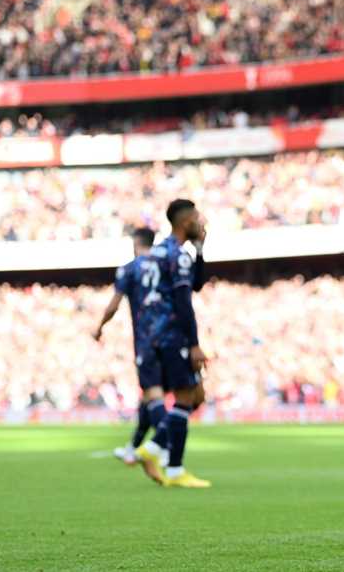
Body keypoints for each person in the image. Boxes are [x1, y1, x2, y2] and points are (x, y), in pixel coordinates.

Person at [134, 199, 211, 488]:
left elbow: (195, 284)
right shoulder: (177, 255)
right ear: (185, 221)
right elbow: (184, 300)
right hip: (172, 335)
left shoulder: (156, 253)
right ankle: (155, 451)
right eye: (197, 218)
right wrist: (194, 344)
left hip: (150, 336)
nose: (201, 222)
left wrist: (200, 249)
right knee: (188, 396)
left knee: (191, 395)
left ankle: (172, 465)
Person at [93, 228, 165, 466]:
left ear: (135, 243)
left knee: (153, 393)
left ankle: (166, 447)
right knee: (149, 395)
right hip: (170, 336)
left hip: (146, 338)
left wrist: (99, 327)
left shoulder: (130, 268)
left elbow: (113, 305)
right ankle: (133, 447)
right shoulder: (165, 265)